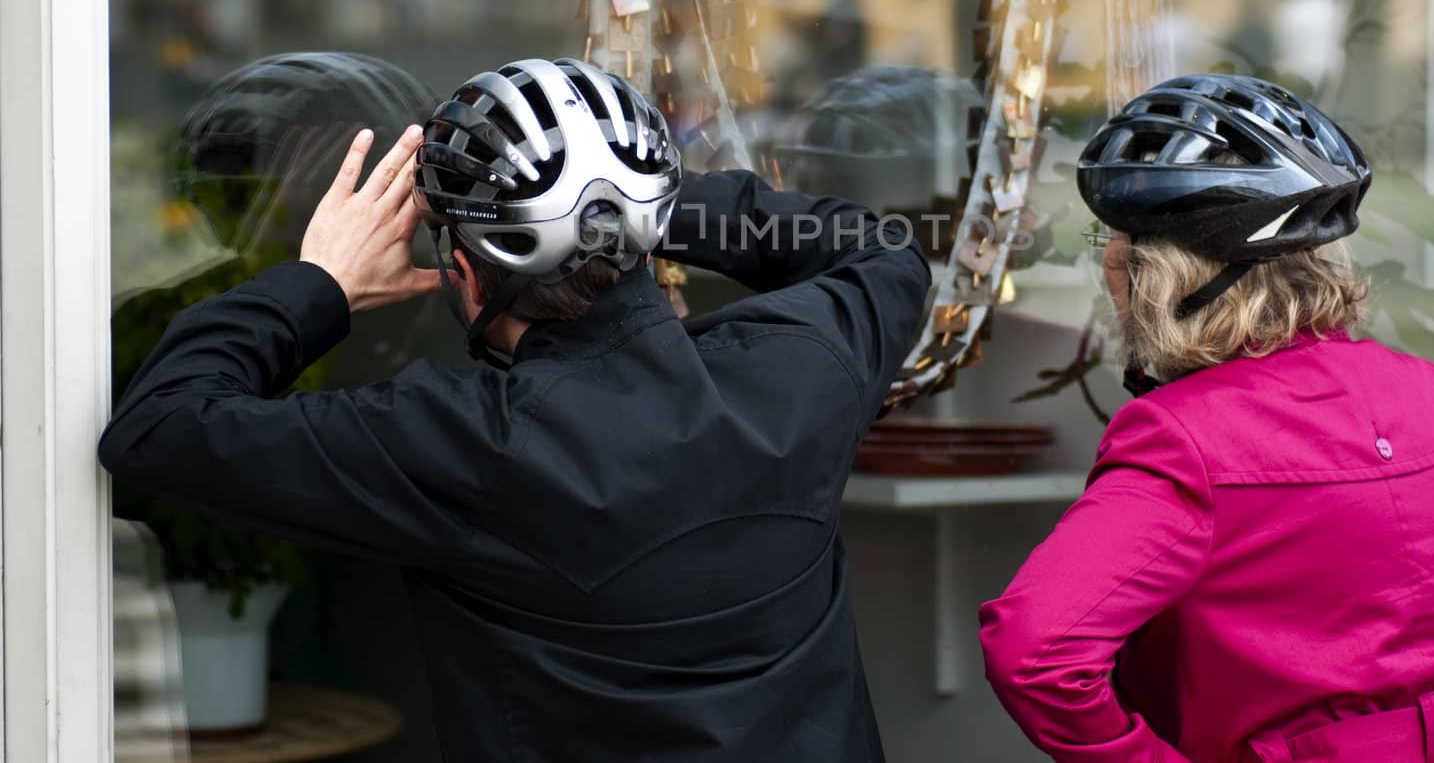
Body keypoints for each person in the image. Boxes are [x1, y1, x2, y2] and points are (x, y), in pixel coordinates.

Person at [100, 56, 931, 762]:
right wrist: (636, 203)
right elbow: (879, 251)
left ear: (463, 273)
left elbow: (160, 425)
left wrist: (322, 285)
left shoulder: (468, 445)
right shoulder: (802, 370)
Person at [978, 73, 1434, 763]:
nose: (1108, 268)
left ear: (1162, 277)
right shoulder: (1427, 394)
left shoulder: (1184, 438)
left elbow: (1034, 649)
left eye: (1115, 245)